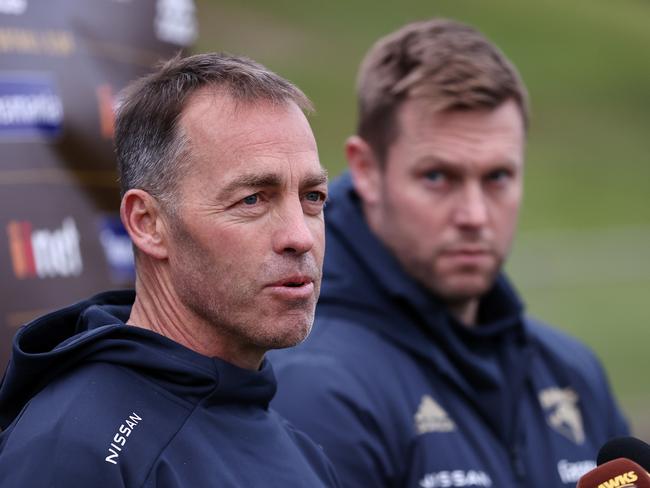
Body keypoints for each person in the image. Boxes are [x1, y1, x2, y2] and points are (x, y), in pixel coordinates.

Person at [270, 18, 629, 487]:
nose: (475, 215)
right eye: (438, 177)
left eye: (497, 177)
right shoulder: (312, 387)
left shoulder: (570, 371)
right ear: (367, 170)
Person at [0, 53, 339, 487]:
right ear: (147, 223)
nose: (300, 236)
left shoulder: (301, 451)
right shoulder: (75, 449)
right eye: (253, 199)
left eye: (313, 197)